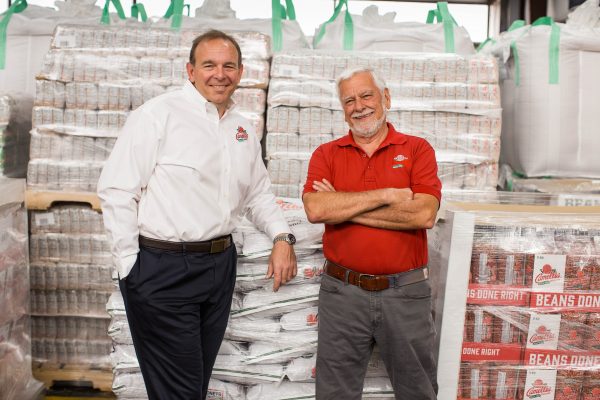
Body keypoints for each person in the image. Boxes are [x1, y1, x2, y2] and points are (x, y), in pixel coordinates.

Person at [98, 30, 297, 400]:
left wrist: (282, 237)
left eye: (228, 66)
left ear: (240, 72)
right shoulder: (158, 116)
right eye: (209, 65)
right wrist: (130, 267)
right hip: (162, 269)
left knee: (195, 382)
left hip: (219, 267)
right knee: (182, 390)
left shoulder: (241, 128)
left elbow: (257, 193)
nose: (219, 74)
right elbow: (117, 190)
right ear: (190, 71)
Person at [302, 67, 441, 400]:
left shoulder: (417, 149)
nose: (358, 106)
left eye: (366, 95)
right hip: (342, 294)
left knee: (417, 391)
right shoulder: (326, 154)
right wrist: (387, 195)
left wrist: (345, 207)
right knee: (334, 393)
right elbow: (316, 210)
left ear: (386, 98)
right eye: (349, 100)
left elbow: (423, 214)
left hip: (405, 294)